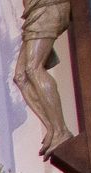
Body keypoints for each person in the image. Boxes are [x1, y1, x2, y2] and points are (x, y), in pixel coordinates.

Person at [14, 0, 74, 158]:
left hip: (47, 7)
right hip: (35, 12)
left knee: (33, 68)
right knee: (21, 77)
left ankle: (61, 130)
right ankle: (52, 129)